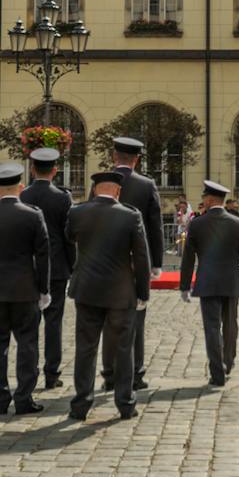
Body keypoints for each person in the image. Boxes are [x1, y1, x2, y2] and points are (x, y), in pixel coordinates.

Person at [66, 168, 152, 421]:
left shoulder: (77, 212)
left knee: (85, 348)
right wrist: (143, 292)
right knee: (124, 348)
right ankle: (125, 403)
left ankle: (81, 404)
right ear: (117, 191)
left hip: (87, 289)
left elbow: (68, 238)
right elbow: (141, 256)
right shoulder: (130, 216)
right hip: (120, 291)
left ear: (94, 190)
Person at [0, 161, 51, 414]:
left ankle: (1, 398)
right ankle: (24, 398)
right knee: (27, 344)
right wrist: (44, 289)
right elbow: (43, 255)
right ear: (20, 186)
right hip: (25, 289)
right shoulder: (33, 214)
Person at [179, 180, 239, 387]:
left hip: (207, 282)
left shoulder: (197, 223)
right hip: (230, 282)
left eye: (204, 197)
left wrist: (185, 285)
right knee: (231, 325)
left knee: (211, 328)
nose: (203, 200)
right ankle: (228, 361)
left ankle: (217, 371)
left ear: (210, 200)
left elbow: (188, 258)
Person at [106, 136, 162, 394]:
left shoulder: (103, 182)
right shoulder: (146, 184)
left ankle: (109, 373)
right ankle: (136, 373)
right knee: (136, 318)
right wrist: (156, 263)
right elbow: (155, 226)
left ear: (114, 156)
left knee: (108, 319)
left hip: (108, 260)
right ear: (137, 158)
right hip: (137, 261)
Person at [21, 147, 74, 390]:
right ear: (55, 170)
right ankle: (51, 373)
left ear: (32, 169)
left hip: (28, 267)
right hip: (57, 268)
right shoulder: (63, 198)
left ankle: (28, 372)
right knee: (54, 323)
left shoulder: (23, 196)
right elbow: (68, 237)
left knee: (29, 323)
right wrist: (72, 265)